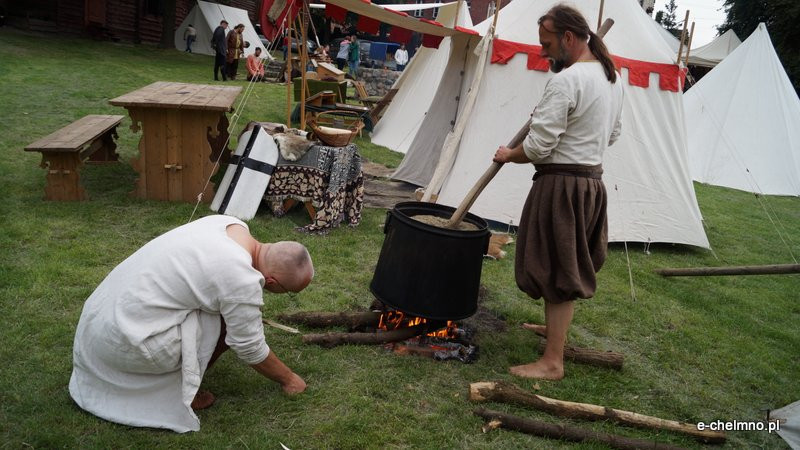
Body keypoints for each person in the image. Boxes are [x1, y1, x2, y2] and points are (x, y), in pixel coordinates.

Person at [69, 215, 314, 432]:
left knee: (224, 310)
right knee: (227, 324)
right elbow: (249, 346)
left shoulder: (229, 223)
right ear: (271, 281)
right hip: (125, 339)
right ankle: (182, 393)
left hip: (99, 317)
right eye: (288, 292)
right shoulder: (241, 278)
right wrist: (289, 378)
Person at [492, 4, 623, 381]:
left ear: (568, 37)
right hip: (590, 184)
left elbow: (538, 148)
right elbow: (613, 134)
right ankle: (554, 335)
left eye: (547, 44)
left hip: (563, 187)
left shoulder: (567, 81)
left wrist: (509, 154)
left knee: (557, 269)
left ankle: (552, 362)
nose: (543, 52)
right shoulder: (612, 77)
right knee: (562, 265)